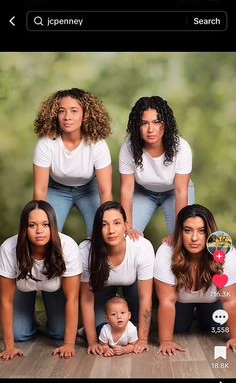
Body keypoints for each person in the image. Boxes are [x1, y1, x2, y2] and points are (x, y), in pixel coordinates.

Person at [0, 200, 82, 360]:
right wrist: (9, 347)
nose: (39, 231)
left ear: (53, 226)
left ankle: (50, 316)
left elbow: (73, 299)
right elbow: (5, 300)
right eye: (32, 225)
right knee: (20, 334)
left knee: (59, 333)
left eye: (45, 224)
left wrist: (69, 344)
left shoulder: (68, 246)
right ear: (24, 228)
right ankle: (28, 316)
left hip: (55, 289)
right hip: (21, 289)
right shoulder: (8, 248)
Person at [154, 204, 236, 356]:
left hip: (212, 300)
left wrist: (235, 337)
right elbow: (167, 301)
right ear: (180, 232)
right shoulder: (166, 251)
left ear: (210, 232)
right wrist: (166, 341)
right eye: (187, 230)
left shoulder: (226, 252)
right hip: (180, 301)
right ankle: (191, 312)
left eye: (202, 231)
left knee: (216, 326)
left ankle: (200, 313)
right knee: (178, 328)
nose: (194, 238)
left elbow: (230, 301)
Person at [33, 87, 112, 236]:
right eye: (62, 111)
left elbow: (105, 191)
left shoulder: (98, 144)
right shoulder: (46, 143)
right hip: (57, 189)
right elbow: (40, 190)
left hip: (89, 189)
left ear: (85, 115)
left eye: (74, 111)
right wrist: (38, 220)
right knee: (46, 233)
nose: (67, 117)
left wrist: (108, 222)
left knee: (100, 234)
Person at [79, 201, 154, 355]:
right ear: (97, 229)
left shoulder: (142, 247)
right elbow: (86, 300)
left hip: (132, 289)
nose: (111, 230)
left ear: (126, 225)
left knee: (134, 331)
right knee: (103, 331)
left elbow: (146, 297)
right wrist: (93, 341)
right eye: (104, 225)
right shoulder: (86, 250)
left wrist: (143, 340)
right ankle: (86, 330)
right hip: (102, 289)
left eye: (117, 223)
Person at [119, 96, 194, 243]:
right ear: (137, 126)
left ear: (165, 124)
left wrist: (178, 231)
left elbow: (181, 191)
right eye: (144, 123)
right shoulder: (128, 149)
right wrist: (127, 225)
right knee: (126, 237)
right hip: (144, 192)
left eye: (156, 122)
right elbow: (127, 189)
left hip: (174, 192)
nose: (151, 129)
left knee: (182, 238)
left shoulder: (181, 147)